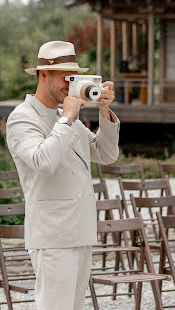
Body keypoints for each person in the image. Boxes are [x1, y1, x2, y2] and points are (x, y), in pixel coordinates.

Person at [6, 40, 120, 310]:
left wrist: (104, 112)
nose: (70, 85)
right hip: (53, 236)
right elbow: (42, 161)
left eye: (74, 77)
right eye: (65, 77)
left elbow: (106, 154)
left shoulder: (65, 117)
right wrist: (67, 119)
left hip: (80, 231)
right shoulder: (22, 118)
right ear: (43, 74)